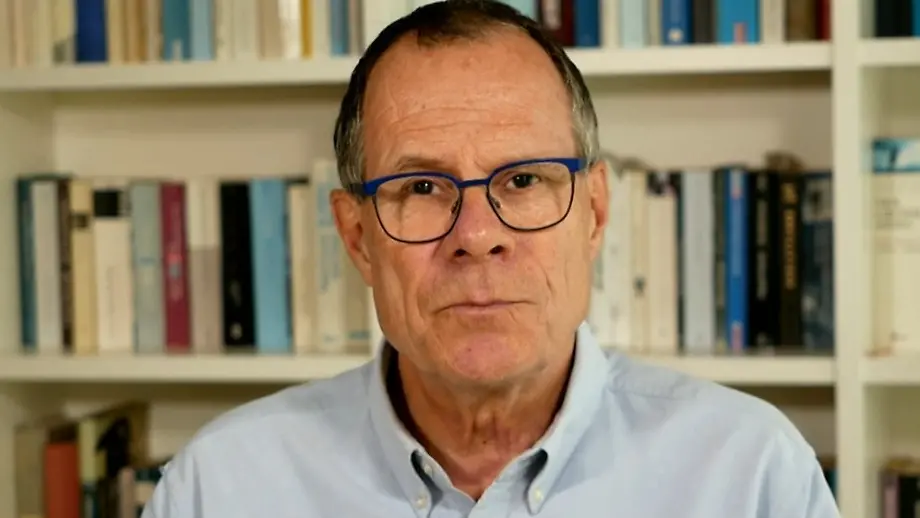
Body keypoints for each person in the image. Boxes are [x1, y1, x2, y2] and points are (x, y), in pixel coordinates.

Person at [141, 1, 840, 517]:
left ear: (595, 213)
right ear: (357, 238)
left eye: (524, 180)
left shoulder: (750, 475)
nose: (477, 235)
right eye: (421, 187)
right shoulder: (220, 488)